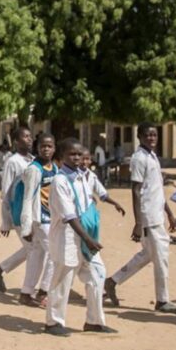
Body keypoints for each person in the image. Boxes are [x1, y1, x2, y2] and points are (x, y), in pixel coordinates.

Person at [104, 123, 176, 314]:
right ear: (139, 136)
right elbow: (136, 190)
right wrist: (138, 222)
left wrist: (169, 212)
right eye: (147, 135)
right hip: (148, 216)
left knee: (147, 255)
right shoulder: (139, 158)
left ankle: (112, 281)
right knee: (161, 257)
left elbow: (155, 189)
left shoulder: (152, 156)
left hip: (157, 213)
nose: (151, 138)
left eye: (154, 134)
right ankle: (163, 300)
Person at [41, 139, 116, 336]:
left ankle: (94, 321)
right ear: (62, 157)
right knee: (62, 280)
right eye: (71, 154)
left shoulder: (84, 177)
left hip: (85, 236)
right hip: (67, 237)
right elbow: (69, 216)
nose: (76, 158)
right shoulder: (60, 181)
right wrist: (89, 239)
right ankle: (53, 322)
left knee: (97, 275)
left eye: (79, 154)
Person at [0, 127, 34, 293]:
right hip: (19, 213)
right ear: (16, 141)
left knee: (34, 249)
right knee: (35, 250)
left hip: (33, 213)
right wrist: (6, 221)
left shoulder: (32, 160)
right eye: (25, 136)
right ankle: (29, 290)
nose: (29, 139)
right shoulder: (12, 162)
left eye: (30, 136)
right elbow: (6, 192)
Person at [17, 133, 58, 307]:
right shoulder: (34, 169)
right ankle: (43, 292)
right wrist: (26, 226)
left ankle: (26, 292)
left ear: (54, 148)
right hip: (40, 219)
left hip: (51, 217)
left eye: (49, 146)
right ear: (37, 148)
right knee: (55, 254)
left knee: (37, 255)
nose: (46, 149)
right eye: (43, 146)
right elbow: (27, 198)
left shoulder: (53, 167)